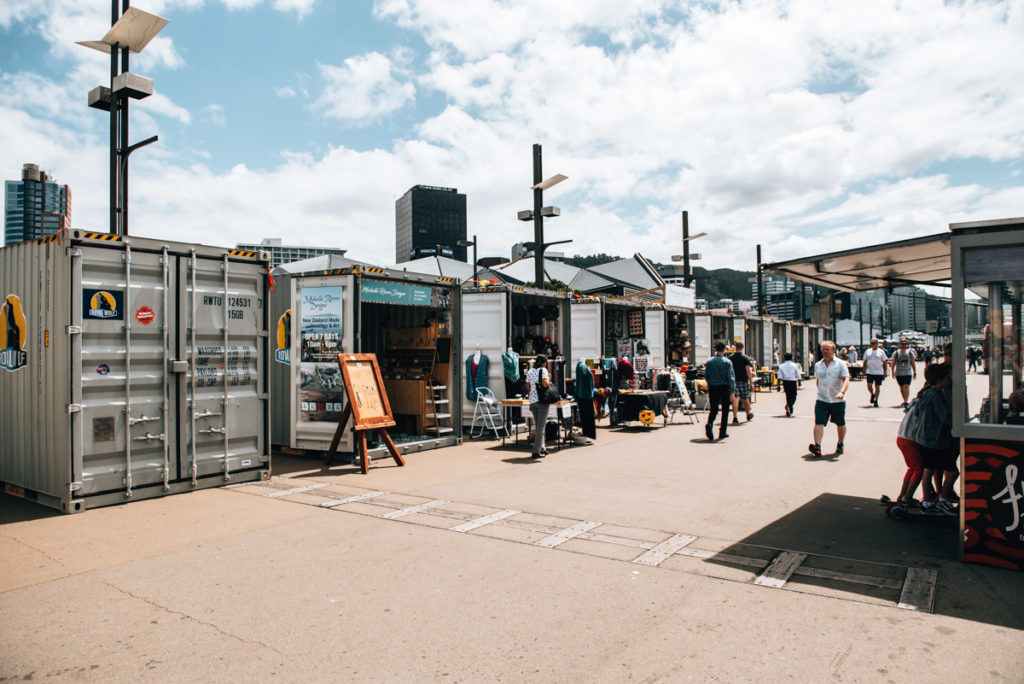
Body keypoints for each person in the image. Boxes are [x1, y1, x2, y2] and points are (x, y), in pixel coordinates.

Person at [891, 364, 953, 509]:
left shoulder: (924, 395)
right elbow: (944, 417)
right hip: (923, 439)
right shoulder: (936, 396)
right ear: (940, 379)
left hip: (910, 437)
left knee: (918, 468)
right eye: (947, 377)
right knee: (924, 469)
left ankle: (906, 496)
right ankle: (911, 498)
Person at [809, 340, 849, 457]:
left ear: (833, 350)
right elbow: (818, 380)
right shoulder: (818, 365)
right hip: (822, 399)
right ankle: (818, 447)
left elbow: (846, 379)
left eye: (827, 349)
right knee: (819, 422)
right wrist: (820, 391)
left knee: (840, 423)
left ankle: (840, 443)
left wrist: (842, 392)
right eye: (823, 350)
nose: (825, 352)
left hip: (837, 400)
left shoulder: (840, 364)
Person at [704, 341, 736, 442]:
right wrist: (732, 391)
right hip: (724, 387)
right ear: (724, 350)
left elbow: (706, 376)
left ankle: (710, 423)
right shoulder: (727, 362)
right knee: (725, 409)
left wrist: (710, 383)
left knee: (714, 409)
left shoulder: (709, 361)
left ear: (715, 349)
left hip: (713, 387)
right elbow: (730, 377)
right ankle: (722, 431)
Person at [525, 354, 552, 459]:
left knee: (539, 426)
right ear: (544, 362)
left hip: (533, 401)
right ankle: (536, 451)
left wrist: (530, 400)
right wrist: (549, 378)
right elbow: (545, 384)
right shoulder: (543, 370)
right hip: (542, 401)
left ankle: (542, 448)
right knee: (541, 427)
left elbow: (528, 387)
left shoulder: (530, 371)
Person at [729, 341, 755, 425]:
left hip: (734, 381)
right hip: (743, 380)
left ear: (735, 347)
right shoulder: (745, 358)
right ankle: (748, 414)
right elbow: (748, 371)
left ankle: (735, 417)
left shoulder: (730, 358)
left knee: (735, 399)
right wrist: (751, 382)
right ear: (743, 347)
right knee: (745, 398)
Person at [890, 338, 917, 408]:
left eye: (905, 344)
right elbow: (893, 363)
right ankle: (904, 400)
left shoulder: (910, 353)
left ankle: (906, 401)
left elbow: (913, 363)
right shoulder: (896, 353)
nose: (904, 345)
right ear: (900, 344)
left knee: (906, 386)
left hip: (908, 372)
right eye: (902, 344)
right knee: (902, 387)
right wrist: (892, 372)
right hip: (899, 373)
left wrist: (915, 372)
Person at [862, 338, 888, 407]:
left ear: (877, 344)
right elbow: (865, 361)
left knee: (877, 386)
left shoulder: (881, 352)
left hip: (878, 372)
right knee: (869, 385)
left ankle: (876, 400)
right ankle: (872, 394)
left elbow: (885, 362)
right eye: (871, 343)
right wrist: (863, 371)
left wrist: (885, 371)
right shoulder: (868, 351)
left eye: (873, 343)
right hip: (870, 371)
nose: (872, 344)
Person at [777, 352, 802, 417]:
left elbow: (779, 376)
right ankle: (789, 405)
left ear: (784, 358)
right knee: (794, 396)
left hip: (785, 382)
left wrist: (778, 385)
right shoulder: (794, 365)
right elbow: (798, 374)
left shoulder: (781, 366)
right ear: (791, 358)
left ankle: (789, 409)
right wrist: (799, 382)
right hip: (793, 382)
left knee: (788, 396)